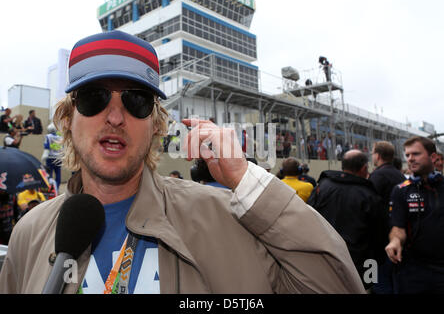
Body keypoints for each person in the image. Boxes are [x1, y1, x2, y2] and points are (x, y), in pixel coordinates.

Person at [0, 30, 364, 294]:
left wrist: (247, 182)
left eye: (136, 101)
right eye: (94, 98)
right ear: (68, 119)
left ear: (156, 125)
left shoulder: (229, 219)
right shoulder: (28, 234)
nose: (114, 117)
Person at [307, 150, 385, 290]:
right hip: (363, 264)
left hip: (326, 259)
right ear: (364, 168)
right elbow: (379, 236)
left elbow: (308, 219)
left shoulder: (322, 187)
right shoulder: (369, 195)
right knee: (367, 289)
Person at [385, 136, 444, 294]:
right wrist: (395, 241)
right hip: (413, 270)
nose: (410, 159)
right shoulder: (400, 190)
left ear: (433, 157)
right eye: (408, 155)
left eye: (416, 154)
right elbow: (398, 227)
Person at [368, 141, 406, 294]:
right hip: (399, 236)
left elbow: (370, 207)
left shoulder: (377, 176)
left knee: (378, 283)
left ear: (377, 155)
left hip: (380, 240)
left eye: (372, 153)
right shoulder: (400, 175)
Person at [42, 123, 63, 191]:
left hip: (50, 157)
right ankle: (57, 188)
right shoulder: (60, 137)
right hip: (59, 157)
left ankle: (51, 189)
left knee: (49, 174)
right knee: (58, 174)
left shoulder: (48, 136)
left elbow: (46, 147)